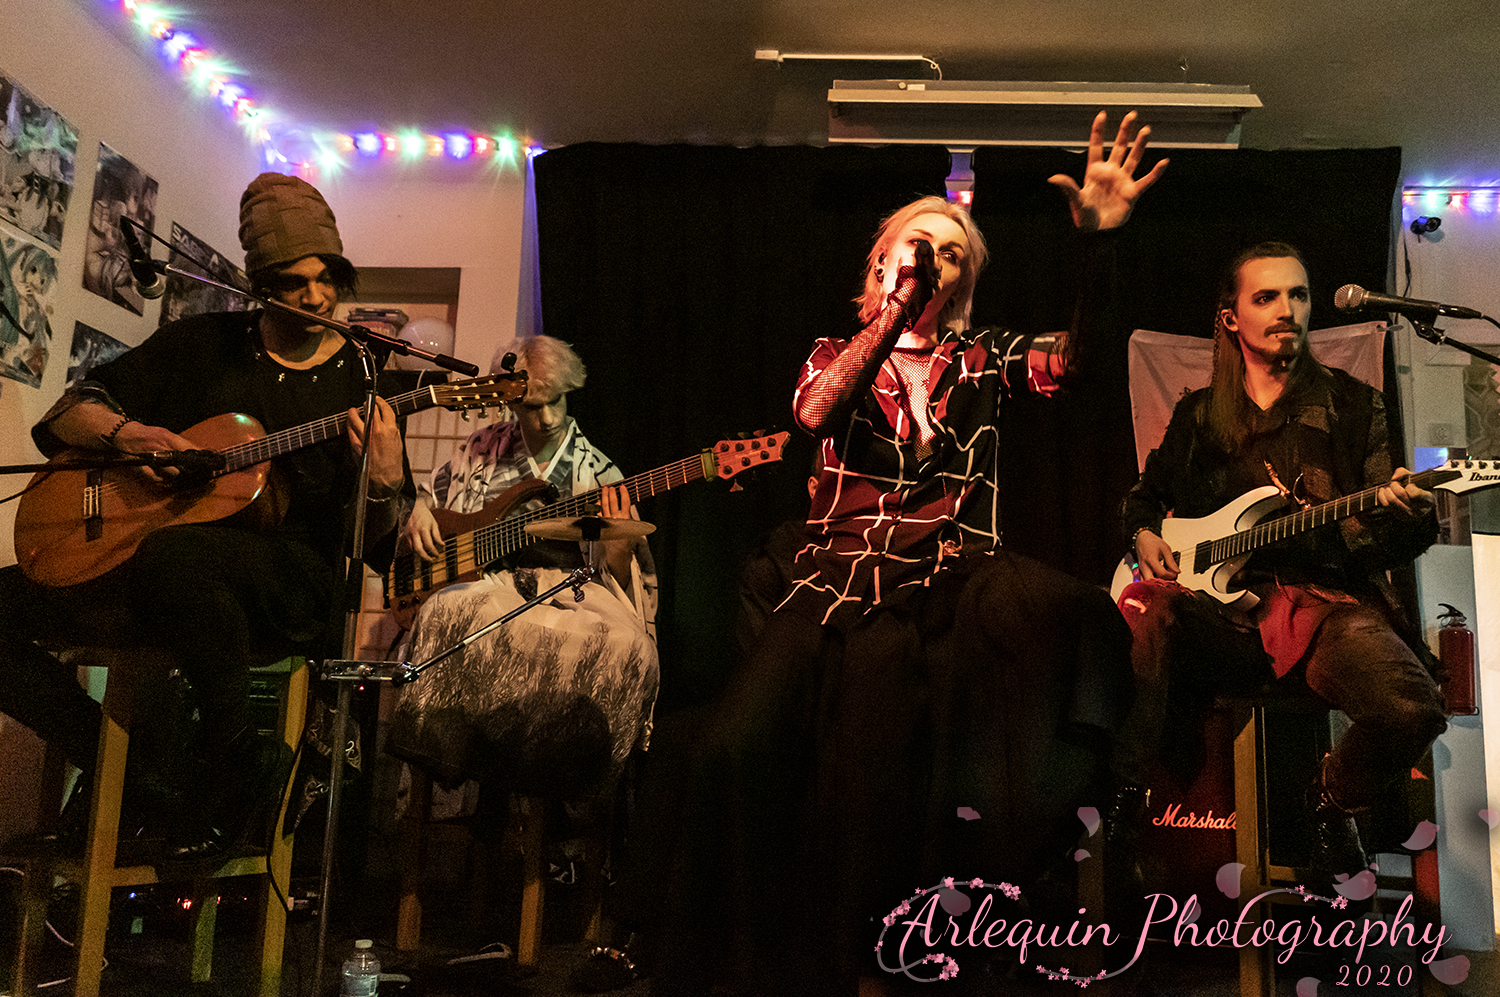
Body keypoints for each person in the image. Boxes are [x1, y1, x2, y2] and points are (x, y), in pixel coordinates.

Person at [655, 112, 1165, 997]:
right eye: (917, 247)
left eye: (951, 254)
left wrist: (1099, 248)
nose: (933, 261)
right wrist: (894, 312)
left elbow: (1077, 361)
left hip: (937, 585)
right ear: (880, 263)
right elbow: (815, 413)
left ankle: (886, 956)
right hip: (829, 581)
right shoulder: (835, 352)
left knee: (890, 763)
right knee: (732, 744)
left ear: (965, 283)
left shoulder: (983, 358)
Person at [0, 172, 410, 861]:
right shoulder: (202, 344)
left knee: (179, 556)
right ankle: (127, 771)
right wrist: (132, 437)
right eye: (293, 282)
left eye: (327, 278)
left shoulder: (364, 381)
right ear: (259, 286)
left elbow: (384, 551)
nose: (316, 296)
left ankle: (235, 762)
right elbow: (69, 412)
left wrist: (387, 482)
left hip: (287, 585)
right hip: (153, 572)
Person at [1116, 241, 1447, 882]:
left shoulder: (1356, 406)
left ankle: (1329, 806)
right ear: (1231, 317)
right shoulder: (1197, 416)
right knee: (1150, 609)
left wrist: (1408, 516)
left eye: (1298, 294)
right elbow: (1143, 497)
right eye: (1266, 297)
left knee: (1413, 710)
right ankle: (1124, 803)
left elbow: (1383, 545)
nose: (1287, 309)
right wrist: (1143, 532)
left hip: (1322, 605)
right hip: (1221, 617)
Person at [387, 334, 658, 834]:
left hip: (568, 595)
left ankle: (573, 805)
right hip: (486, 585)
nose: (548, 418)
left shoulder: (600, 473)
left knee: (624, 645)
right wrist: (421, 509)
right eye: (533, 406)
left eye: (557, 401)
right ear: (509, 401)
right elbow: (432, 498)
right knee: (447, 613)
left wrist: (618, 555)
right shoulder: (481, 450)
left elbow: (626, 579)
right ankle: (445, 767)